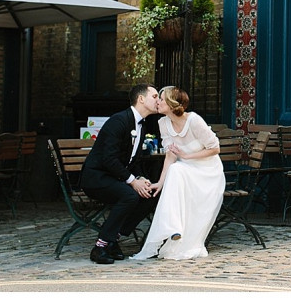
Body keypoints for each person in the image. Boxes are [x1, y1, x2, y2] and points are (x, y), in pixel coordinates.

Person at [131, 86, 225, 260]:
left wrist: (188, 156)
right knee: (175, 169)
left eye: (160, 98)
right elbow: (170, 156)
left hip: (208, 172)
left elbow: (215, 149)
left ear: (171, 103)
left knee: (178, 169)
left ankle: (175, 228)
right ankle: (174, 228)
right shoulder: (163, 123)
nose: (157, 102)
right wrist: (160, 182)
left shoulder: (194, 120)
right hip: (185, 171)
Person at [80, 84, 159, 264]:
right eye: (154, 96)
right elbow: (109, 159)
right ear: (141, 99)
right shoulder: (119, 121)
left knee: (151, 195)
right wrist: (132, 181)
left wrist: (141, 178)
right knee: (130, 195)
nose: (158, 101)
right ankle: (100, 247)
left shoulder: (141, 124)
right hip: (96, 178)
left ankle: (113, 238)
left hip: (115, 177)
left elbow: (134, 160)